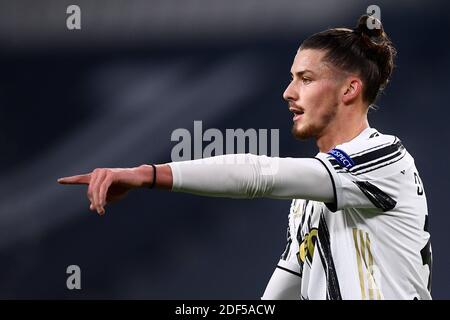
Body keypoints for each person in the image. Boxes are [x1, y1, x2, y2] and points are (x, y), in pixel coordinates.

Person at [58, 15, 432, 300]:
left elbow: (260, 174)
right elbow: (285, 286)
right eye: (291, 78)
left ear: (350, 89)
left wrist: (147, 174)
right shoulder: (314, 194)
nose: (288, 92)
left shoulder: (382, 158)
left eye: (305, 79)